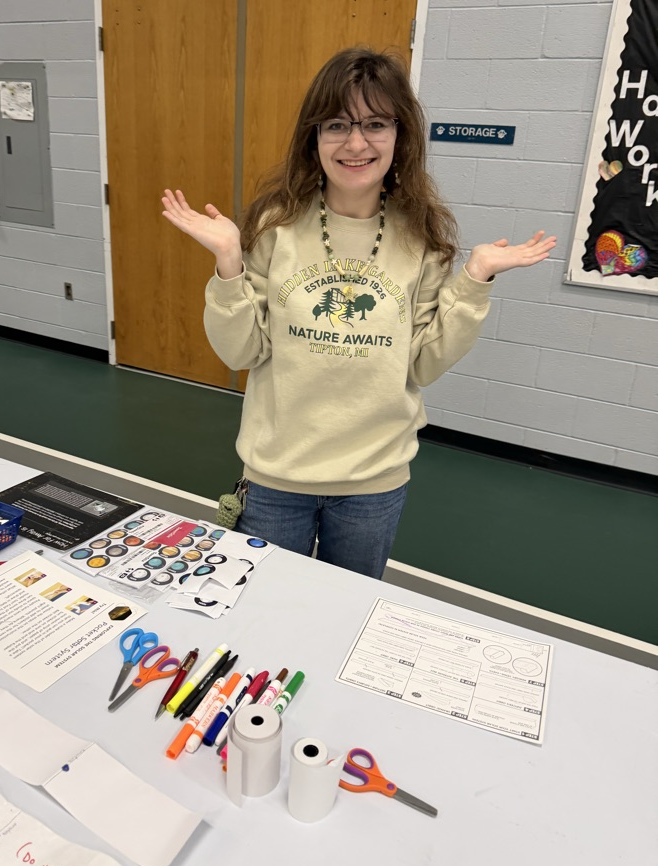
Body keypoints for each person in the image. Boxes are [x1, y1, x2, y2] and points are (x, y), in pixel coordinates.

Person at [162, 47, 555, 579]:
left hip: (373, 482)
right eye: (337, 125)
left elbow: (421, 367)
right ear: (313, 136)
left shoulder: (423, 237)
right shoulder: (275, 225)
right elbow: (241, 350)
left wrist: (475, 278)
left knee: (348, 614)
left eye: (375, 123)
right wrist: (229, 261)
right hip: (278, 476)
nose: (355, 143)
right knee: (264, 609)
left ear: (400, 135)